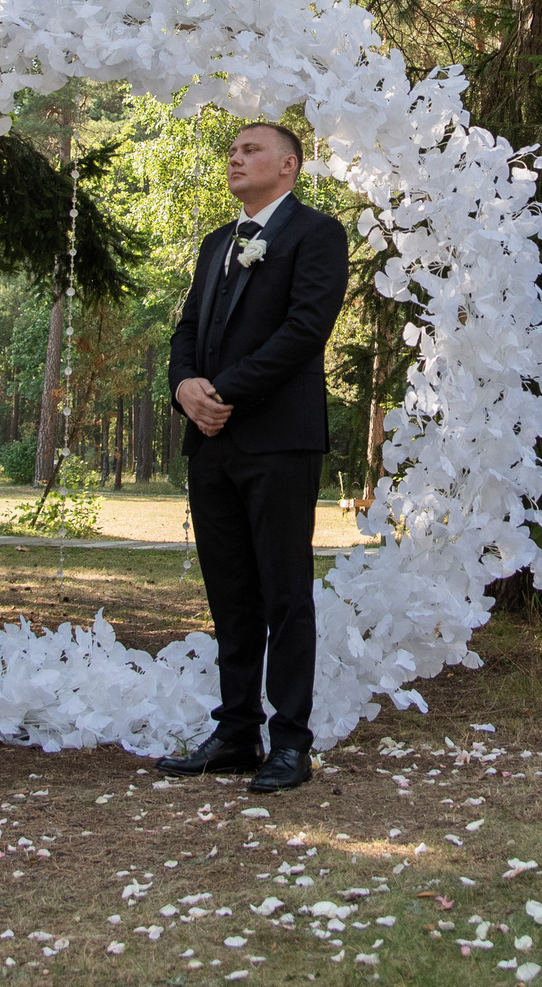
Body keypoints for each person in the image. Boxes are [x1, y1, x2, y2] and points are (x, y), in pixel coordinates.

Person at [159, 121, 350, 794]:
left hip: (278, 439)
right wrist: (185, 388)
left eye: (251, 150)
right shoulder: (217, 242)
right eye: (232, 151)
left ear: (289, 165)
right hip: (210, 443)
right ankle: (236, 729)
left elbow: (305, 329)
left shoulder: (317, 234)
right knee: (230, 592)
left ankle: (291, 740)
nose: (236, 158)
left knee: (284, 592)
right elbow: (188, 329)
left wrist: (221, 390)